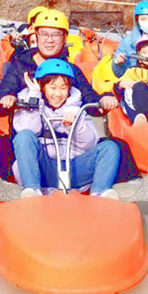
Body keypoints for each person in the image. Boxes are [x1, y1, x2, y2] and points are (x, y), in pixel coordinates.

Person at [0, 9, 148, 203]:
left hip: (69, 145)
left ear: (64, 38)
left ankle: (127, 186)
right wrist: (8, 98)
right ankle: (4, 189)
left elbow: (90, 99)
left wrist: (105, 99)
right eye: (45, 34)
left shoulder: (70, 71)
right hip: (32, 142)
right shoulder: (19, 66)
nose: (50, 40)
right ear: (36, 35)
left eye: (56, 35)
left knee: (117, 145)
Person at [12, 59, 121, 199]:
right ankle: (32, 190)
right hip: (44, 169)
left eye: (63, 88)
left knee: (110, 147)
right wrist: (34, 99)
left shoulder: (77, 107)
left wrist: (74, 124)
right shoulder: (31, 102)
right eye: (52, 88)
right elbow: (27, 131)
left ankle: (99, 192)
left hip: (74, 169)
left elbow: (89, 144)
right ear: (42, 87)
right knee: (24, 136)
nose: (58, 94)